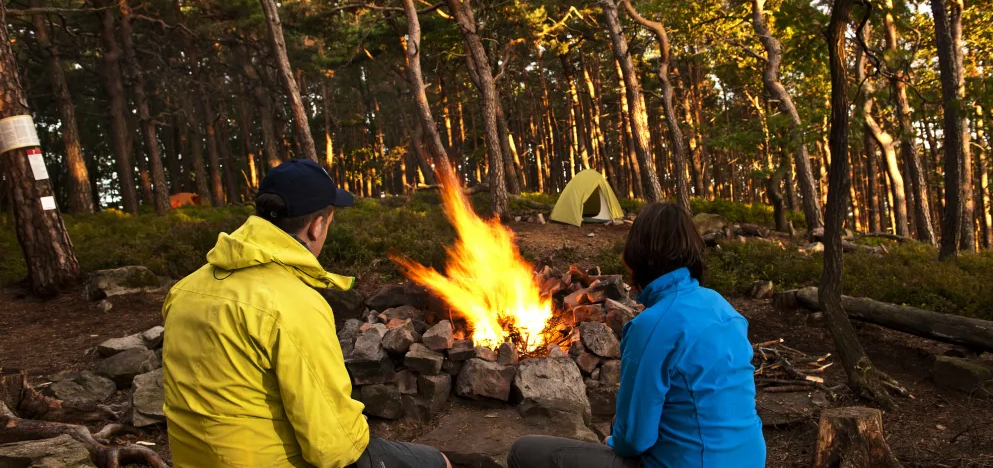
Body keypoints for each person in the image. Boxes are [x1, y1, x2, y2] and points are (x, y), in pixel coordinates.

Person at [162, 159, 451, 468]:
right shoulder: (290, 303)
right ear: (317, 226)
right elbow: (334, 446)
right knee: (437, 462)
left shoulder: (184, 291)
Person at [508, 202, 765, 468]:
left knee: (523, 451)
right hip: (749, 458)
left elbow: (634, 440)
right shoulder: (723, 308)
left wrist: (612, 442)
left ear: (639, 255)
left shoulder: (652, 326)